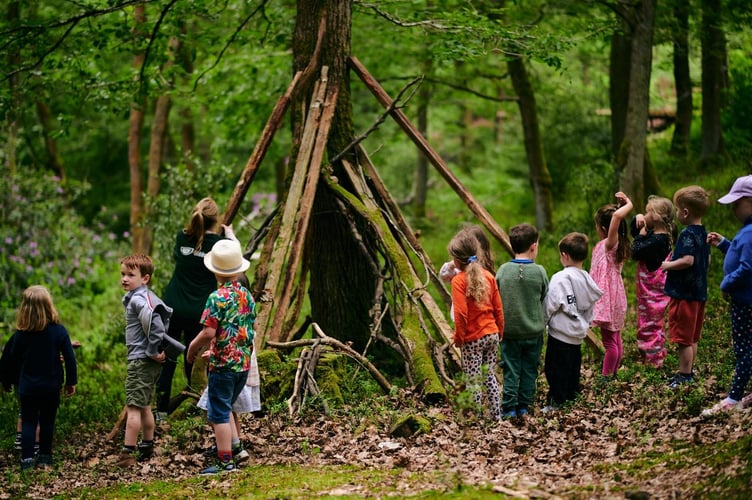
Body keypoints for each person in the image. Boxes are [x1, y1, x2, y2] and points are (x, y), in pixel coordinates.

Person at [155, 197, 237, 422]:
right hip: (199, 312)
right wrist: (228, 234)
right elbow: (235, 257)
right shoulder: (220, 245)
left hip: (171, 306)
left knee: (167, 360)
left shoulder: (182, 236)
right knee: (193, 359)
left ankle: (161, 411)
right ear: (216, 221)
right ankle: (195, 399)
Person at [186, 239, 255, 475]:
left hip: (223, 366)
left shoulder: (216, 298)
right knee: (225, 408)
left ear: (215, 271)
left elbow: (209, 331)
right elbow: (240, 330)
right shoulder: (247, 295)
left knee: (219, 414)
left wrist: (192, 348)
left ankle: (225, 462)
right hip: (242, 366)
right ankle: (235, 449)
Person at [0, 285, 77, 471]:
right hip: (51, 387)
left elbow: (10, 359)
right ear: (49, 305)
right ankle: (45, 457)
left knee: (28, 422)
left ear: (24, 309)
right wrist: (71, 382)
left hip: (28, 389)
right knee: (47, 422)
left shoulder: (20, 335)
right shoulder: (59, 331)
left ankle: (26, 460)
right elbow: (70, 358)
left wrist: (6, 380)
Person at [702, 175, 752, 415]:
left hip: (745, 302)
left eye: (737, 203)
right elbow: (740, 252)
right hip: (743, 300)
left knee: (744, 350)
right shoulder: (747, 231)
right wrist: (724, 244)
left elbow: (747, 267)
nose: (733, 209)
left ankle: (734, 398)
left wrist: (726, 283)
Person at [118, 254, 173, 467]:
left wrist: (151, 350)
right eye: (123, 274)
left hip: (140, 360)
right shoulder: (146, 296)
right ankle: (147, 445)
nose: (124, 279)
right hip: (147, 362)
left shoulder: (138, 300)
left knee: (133, 407)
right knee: (145, 406)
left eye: (130, 275)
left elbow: (157, 325)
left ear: (145, 278)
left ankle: (127, 454)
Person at [448, 228, 504, 421]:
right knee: (489, 375)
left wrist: (459, 338)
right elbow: (498, 308)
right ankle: (497, 415)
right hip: (492, 335)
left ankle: (477, 418)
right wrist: (500, 331)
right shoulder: (488, 276)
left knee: (473, 379)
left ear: (457, 260)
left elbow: (461, 314)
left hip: (473, 339)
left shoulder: (458, 281)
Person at [543, 233, 603, 411]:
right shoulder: (587, 279)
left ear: (565, 255)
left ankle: (557, 401)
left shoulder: (560, 278)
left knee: (554, 369)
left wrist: (543, 321)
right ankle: (571, 394)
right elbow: (590, 306)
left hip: (560, 333)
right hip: (578, 333)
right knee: (572, 366)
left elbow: (551, 303)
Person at [495, 223, 548, 419]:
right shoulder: (539, 271)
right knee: (529, 369)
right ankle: (524, 406)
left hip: (509, 332)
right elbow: (545, 295)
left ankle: (509, 408)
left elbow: (496, 296)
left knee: (510, 369)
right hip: (533, 332)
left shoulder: (502, 271)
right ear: (534, 246)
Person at [661, 185, 711, 388]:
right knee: (692, 337)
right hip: (699, 293)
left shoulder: (687, 234)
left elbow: (688, 260)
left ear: (685, 212)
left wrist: (667, 265)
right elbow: (706, 258)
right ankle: (689, 370)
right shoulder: (703, 233)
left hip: (685, 294)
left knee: (683, 339)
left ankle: (684, 375)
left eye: (677, 208)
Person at [590, 192, 633, 378]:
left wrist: (628, 203)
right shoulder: (612, 243)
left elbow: (616, 216)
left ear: (603, 228)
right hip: (614, 296)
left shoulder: (610, 244)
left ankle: (606, 377)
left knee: (610, 342)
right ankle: (613, 373)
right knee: (615, 338)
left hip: (608, 297)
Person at [631, 196, 675, 368]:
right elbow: (635, 231)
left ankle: (655, 360)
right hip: (651, 289)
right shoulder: (660, 235)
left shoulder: (657, 240)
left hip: (652, 291)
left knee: (651, 323)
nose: (645, 214)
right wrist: (638, 220)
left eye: (648, 211)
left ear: (657, 216)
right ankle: (652, 353)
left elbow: (635, 251)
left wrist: (641, 235)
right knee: (650, 320)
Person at [439, 224, 495, 321]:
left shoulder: (485, 272)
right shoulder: (459, 270)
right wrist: (452, 264)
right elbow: (444, 275)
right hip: (482, 324)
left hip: (473, 321)